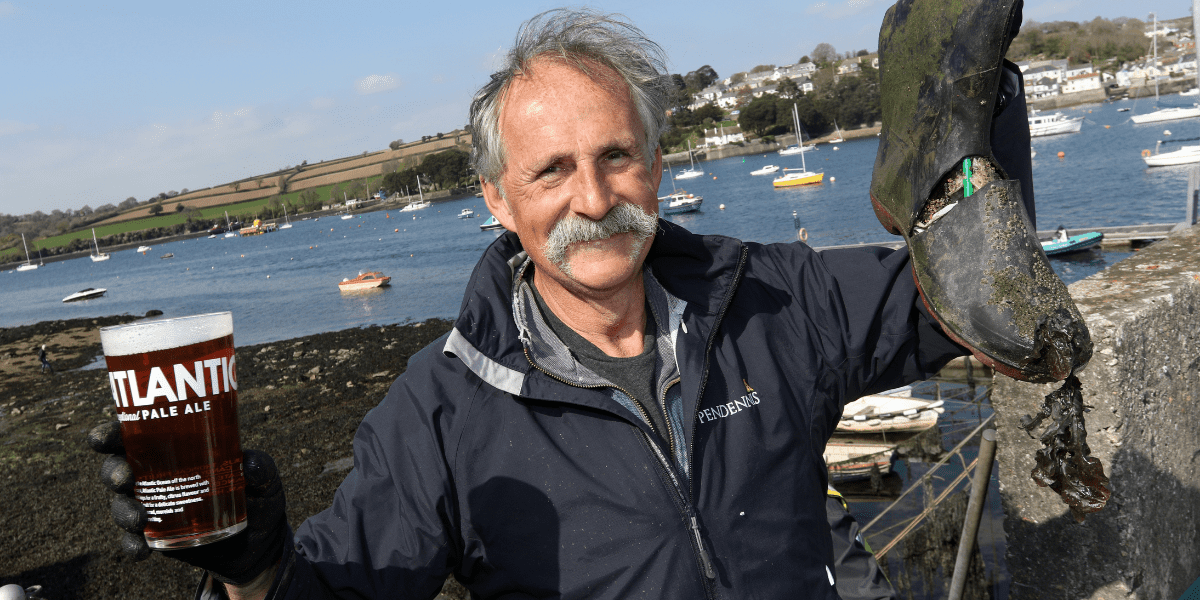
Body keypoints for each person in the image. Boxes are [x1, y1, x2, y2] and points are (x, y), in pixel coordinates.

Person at [90, 3, 1073, 598]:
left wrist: (980, 111)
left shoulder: (775, 298)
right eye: (554, 171)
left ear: (656, 160)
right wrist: (253, 569)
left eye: (615, 157)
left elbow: (978, 288)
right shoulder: (438, 414)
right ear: (497, 198)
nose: (594, 202)